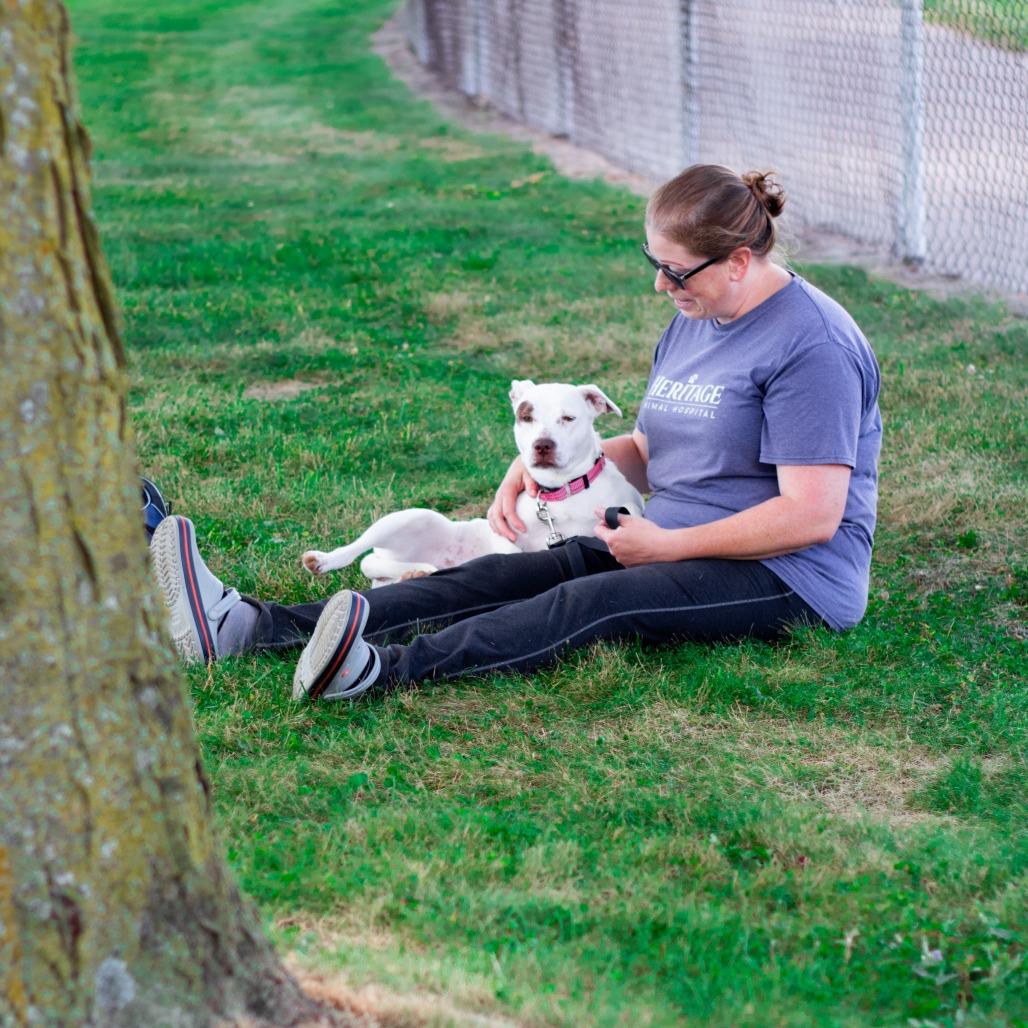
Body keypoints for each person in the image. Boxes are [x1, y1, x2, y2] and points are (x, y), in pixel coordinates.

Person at [150, 164, 882, 702]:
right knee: (501, 573)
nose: (660, 286)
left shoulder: (810, 346)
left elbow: (811, 516)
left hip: (789, 576)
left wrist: (668, 546)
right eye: (652, 263)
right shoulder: (698, 317)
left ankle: (376, 672)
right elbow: (665, 450)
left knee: (590, 604)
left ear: (741, 262)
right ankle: (250, 628)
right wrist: (539, 471)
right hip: (660, 534)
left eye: (675, 271)